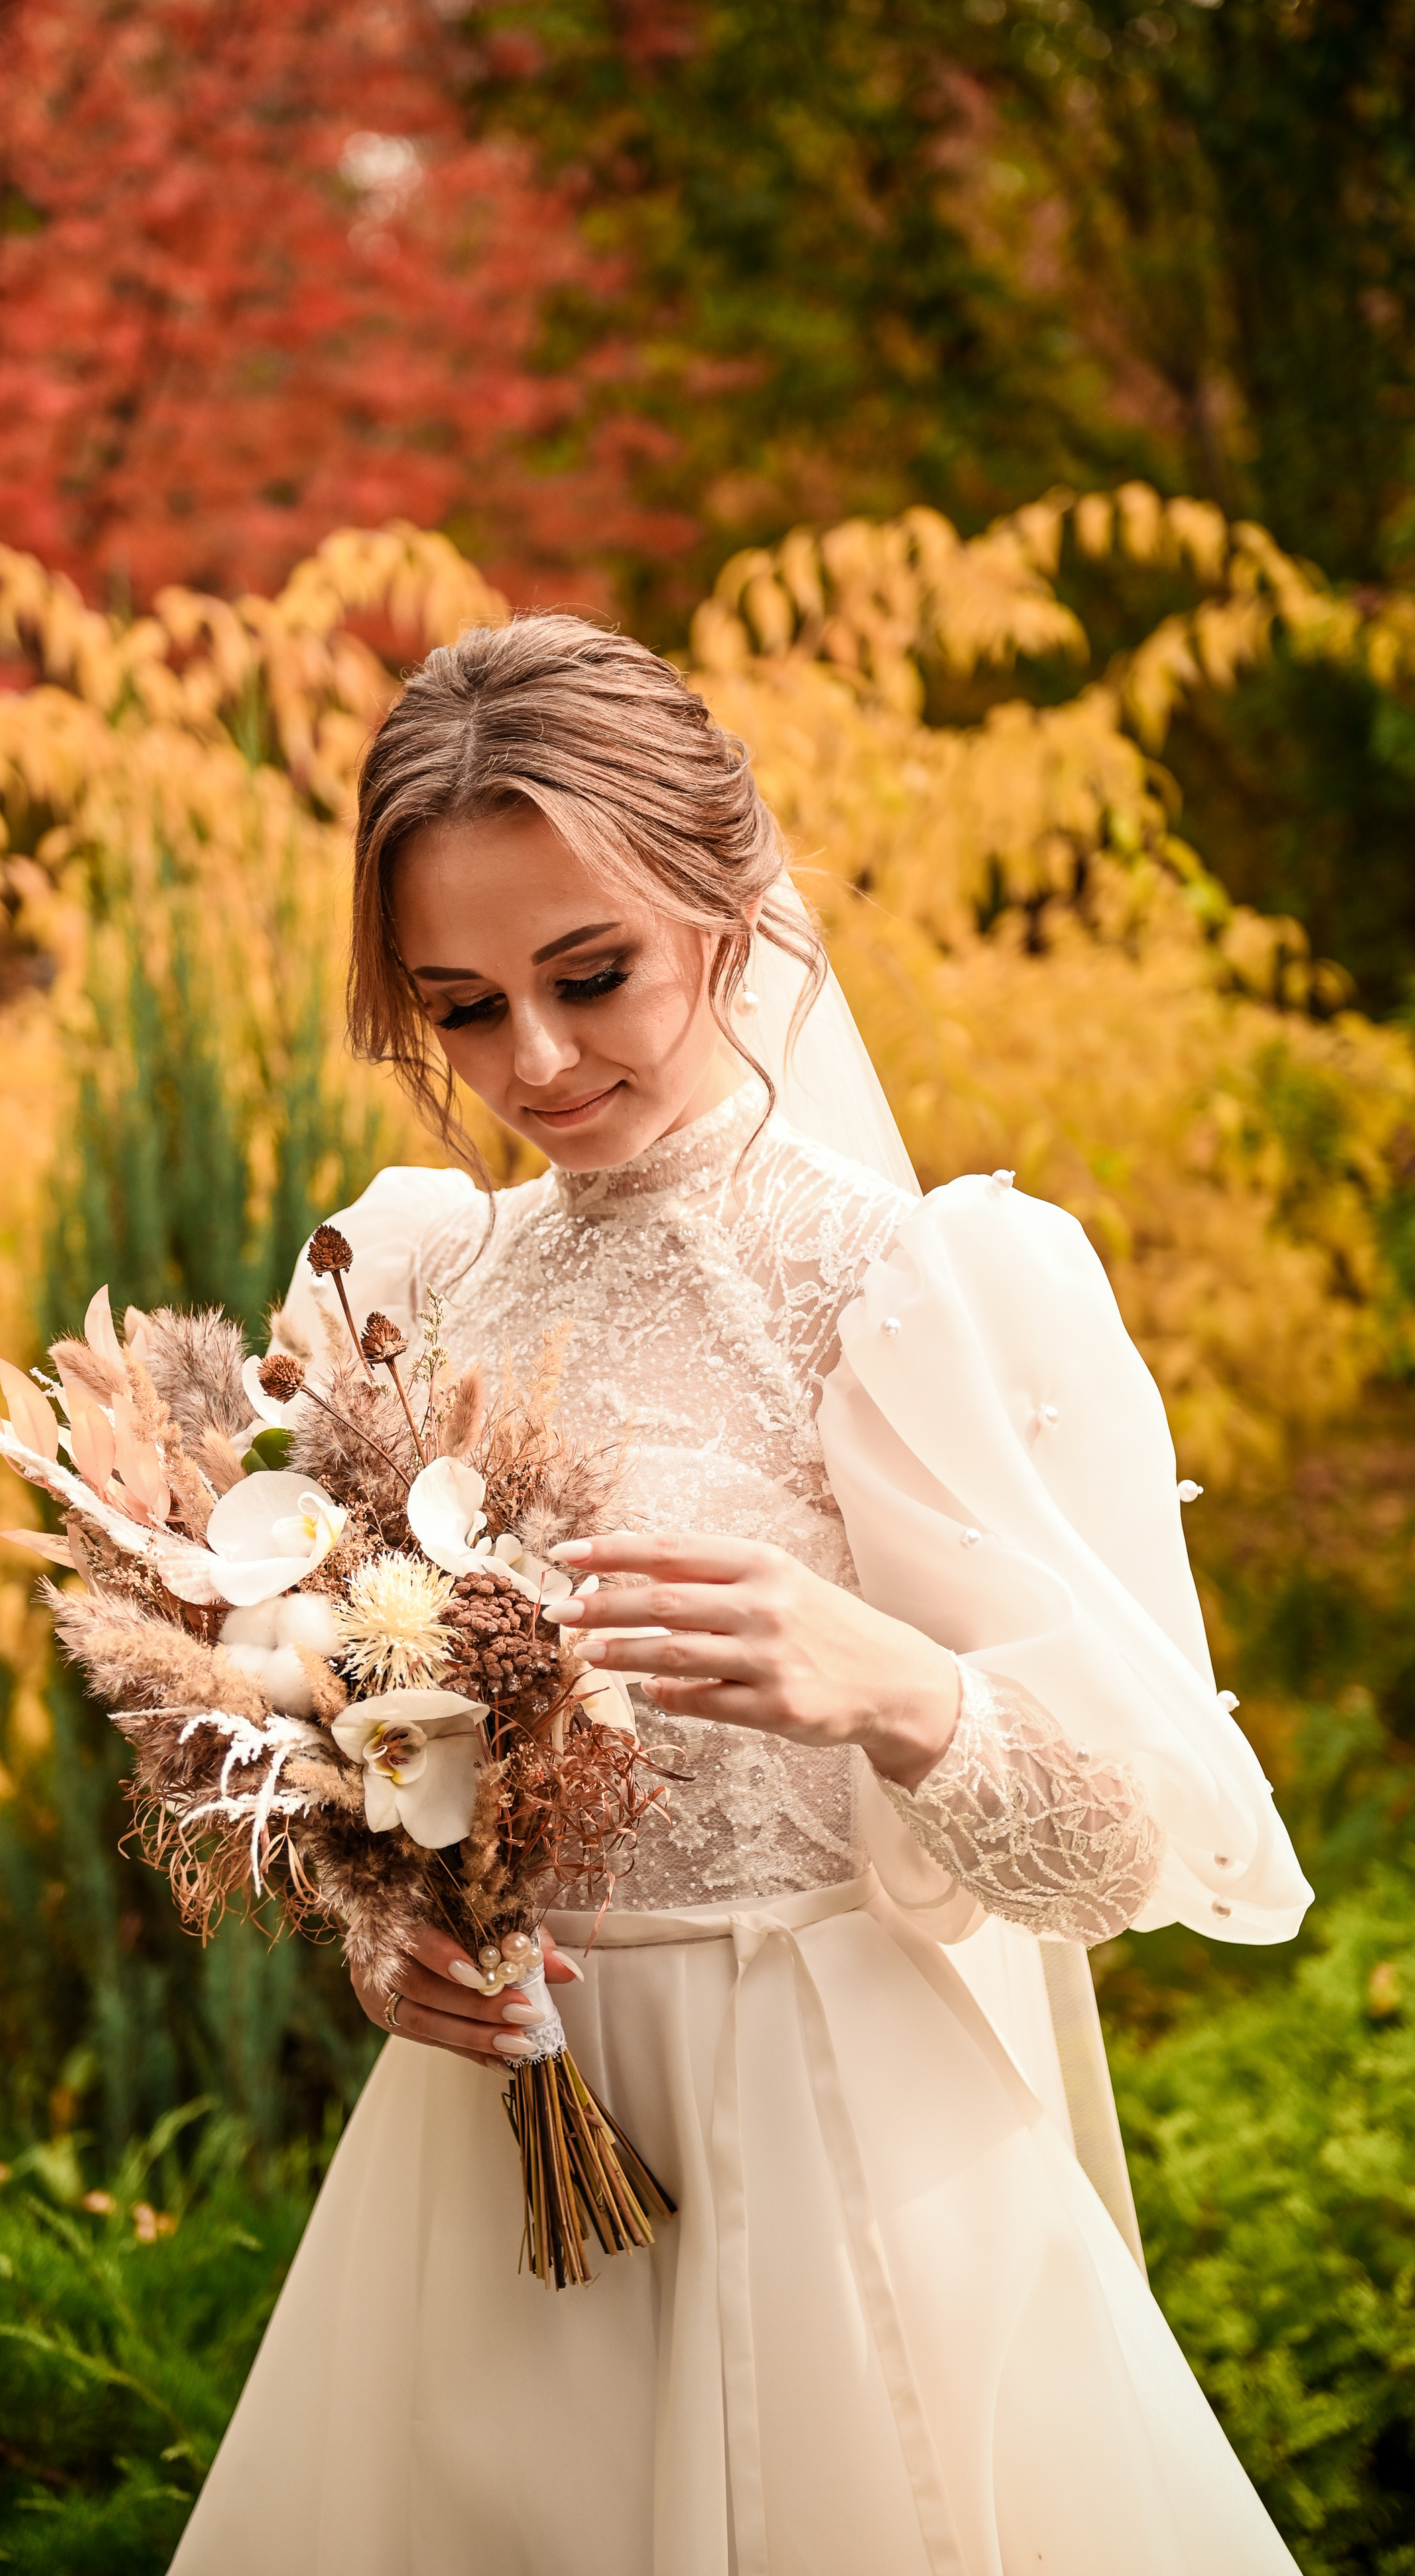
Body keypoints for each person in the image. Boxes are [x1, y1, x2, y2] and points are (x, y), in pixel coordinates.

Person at [170, 616, 1311, 2576]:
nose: (534, 1062)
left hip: (835, 2151)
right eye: (462, 1008)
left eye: (590, 973)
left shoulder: (919, 1286)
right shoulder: (410, 1284)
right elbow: (376, 1751)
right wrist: (395, 1939)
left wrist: (895, 1687)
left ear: (724, 900)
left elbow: (1137, 1846)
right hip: (497, 2180)